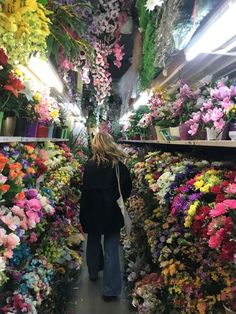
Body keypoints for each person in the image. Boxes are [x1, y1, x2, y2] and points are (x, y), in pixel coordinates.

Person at [80, 132, 132, 302]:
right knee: (111, 249)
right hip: (111, 212)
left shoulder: (89, 166)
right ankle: (110, 290)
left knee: (93, 241)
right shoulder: (118, 167)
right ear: (110, 144)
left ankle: (93, 272)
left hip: (91, 210)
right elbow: (127, 190)